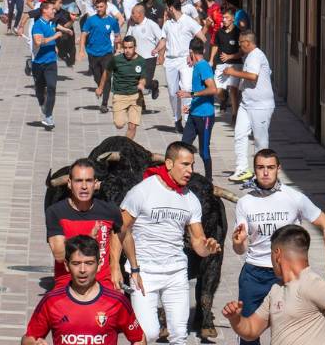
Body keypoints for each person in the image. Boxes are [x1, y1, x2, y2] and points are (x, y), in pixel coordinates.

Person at [231, 148, 325, 345]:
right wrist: (238, 243)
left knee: (291, 331)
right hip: (254, 274)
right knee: (248, 334)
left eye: (270, 167)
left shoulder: (294, 197)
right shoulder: (245, 203)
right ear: (254, 170)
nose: (265, 172)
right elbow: (241, 248)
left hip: (287, 275)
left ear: (278, 169)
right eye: (260, 167)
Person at [121, 141, 221, 345]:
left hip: (176, 273)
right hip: (144, 274)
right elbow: (120, 230)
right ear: (168, 163)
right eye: (184, 164)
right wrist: (120, 267)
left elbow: (197, 242)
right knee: (148, 333)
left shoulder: (190, 199)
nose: (189, 171)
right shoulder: (142, 191)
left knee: (179, 335)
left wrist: (207, 248)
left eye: (192, 165)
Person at [223, 224, 325, 345]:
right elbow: (251, 330)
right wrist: (235, 319)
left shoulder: (310, 284)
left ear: (277, 254)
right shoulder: (276, 290)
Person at [22, 235, 145, 345]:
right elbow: (28, 339)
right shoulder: (51, 301)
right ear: (66, 265)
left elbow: (139, 339)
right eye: (76, 263)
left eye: (89, 263)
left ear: (99, 265)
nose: (82, 270)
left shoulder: (117, 301)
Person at [45, 159, 123, 290]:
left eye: (89, 181)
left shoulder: (110, 210)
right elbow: (59, 256)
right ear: (69, 183)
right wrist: (88, 240)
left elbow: (121, 233)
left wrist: (116, 266)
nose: (84, 186)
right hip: (68, 285)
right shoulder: (55, 212)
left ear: (96, 184)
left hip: (103, 283)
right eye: (78, 181)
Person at [224, 32, 275, 183]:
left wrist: (233, 72)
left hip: (261, 106)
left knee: (260, 140)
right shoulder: (250, 56)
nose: (239, 45)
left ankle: (263, 172)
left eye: (240, 43)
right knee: (239, 134)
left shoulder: (255, 55)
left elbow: (253, 76)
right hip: (247, 104)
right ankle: (242, 169)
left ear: (247, 42)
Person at [157, 0, 204, 133]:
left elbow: (202, 38)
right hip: (170, 60)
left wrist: (193, 55)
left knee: (187, 88)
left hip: (185, 59)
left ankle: (189, 119)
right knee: (173, 93)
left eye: (167, 8)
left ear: (171, 8)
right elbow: (163, 39)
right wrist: (157, 50)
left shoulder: (189, 21)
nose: (166, 10)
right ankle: (177, 119)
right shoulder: (167, 24)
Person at [178, 37, 217, 180]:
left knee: (204, 152)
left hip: (205, 116)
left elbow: (213, 89)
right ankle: (185, 176)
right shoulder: (197, 66)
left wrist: (190, 94)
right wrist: (191, 105)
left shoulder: (203, 66)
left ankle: (209, 180)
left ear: (191, 52)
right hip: (194, 114)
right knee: (184, 147)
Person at [98, 35, 146, 140]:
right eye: (125, 48)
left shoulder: (141, 61)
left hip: (135, 97)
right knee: (119, 124)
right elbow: (106, 72)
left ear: (135, 47)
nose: (128, 50)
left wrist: (141, 84)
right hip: (120, 96)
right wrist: (100, 88)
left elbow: (143, 77)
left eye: (130, 47)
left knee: (132, 126)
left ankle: (125, 147)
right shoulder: (116, 60)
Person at [79, 0, 121, 114]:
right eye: (97, 7)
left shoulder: (112, 21)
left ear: (106, 7)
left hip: (107, 52)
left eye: (101, 7)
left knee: (107, 77)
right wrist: (81, 50)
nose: (99, 9)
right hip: (92, 53)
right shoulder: (91, 20)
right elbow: (83, 35)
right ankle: (100, 87)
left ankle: (104, 104)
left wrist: (118, 48)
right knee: (97, 77)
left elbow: (118, 36)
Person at [31, 0, 61, 129]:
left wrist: (55, 47)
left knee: (51, 87)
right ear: (44, 10)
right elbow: (38, 42)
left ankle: (48, 116)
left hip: (51, 62)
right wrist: (54, 37)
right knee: (39, 91)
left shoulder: (51, 23)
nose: (54, 11)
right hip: (38, 62)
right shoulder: (38, 25)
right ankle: (43, 104)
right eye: (52, 9)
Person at [210, 9, 242, 120]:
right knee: (217, 91)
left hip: (235, 64)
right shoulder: (219, 32)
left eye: (226, 18)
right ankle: (224, 98)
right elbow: (215, 46)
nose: (224, 20)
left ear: (233, 19)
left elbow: (242, 51)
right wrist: (211, 60)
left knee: (233, 90)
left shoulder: (238, 32)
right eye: (223, 17)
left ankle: (235, 114)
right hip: (220, 64)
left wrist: (230, 57)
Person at [127, 4, 162, 100]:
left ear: (140, 14)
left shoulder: (151, 24)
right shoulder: (132, 25)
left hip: (149, 58)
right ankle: (141, 105)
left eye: (133, 13)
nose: (131, 15)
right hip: (136, 59)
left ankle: (154, 84)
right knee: (137, 82)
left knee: (146, 82)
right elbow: (127, 39)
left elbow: (162, 39)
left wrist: (159, 51)